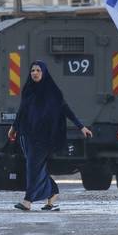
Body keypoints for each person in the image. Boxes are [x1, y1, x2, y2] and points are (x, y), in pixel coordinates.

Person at [8, 60, 92, 211]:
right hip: (28, 135)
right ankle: (52, 193)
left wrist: (81, 126)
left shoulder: (52, 91)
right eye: (32, 70)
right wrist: (13, 128)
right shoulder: (28, 89)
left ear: (44, 73)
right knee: (36, 167)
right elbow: (22, 110)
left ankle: (27, 201)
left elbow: (65, 109)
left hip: (45, 136)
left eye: (38, 70)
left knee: (33, 167)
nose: (35, 73)